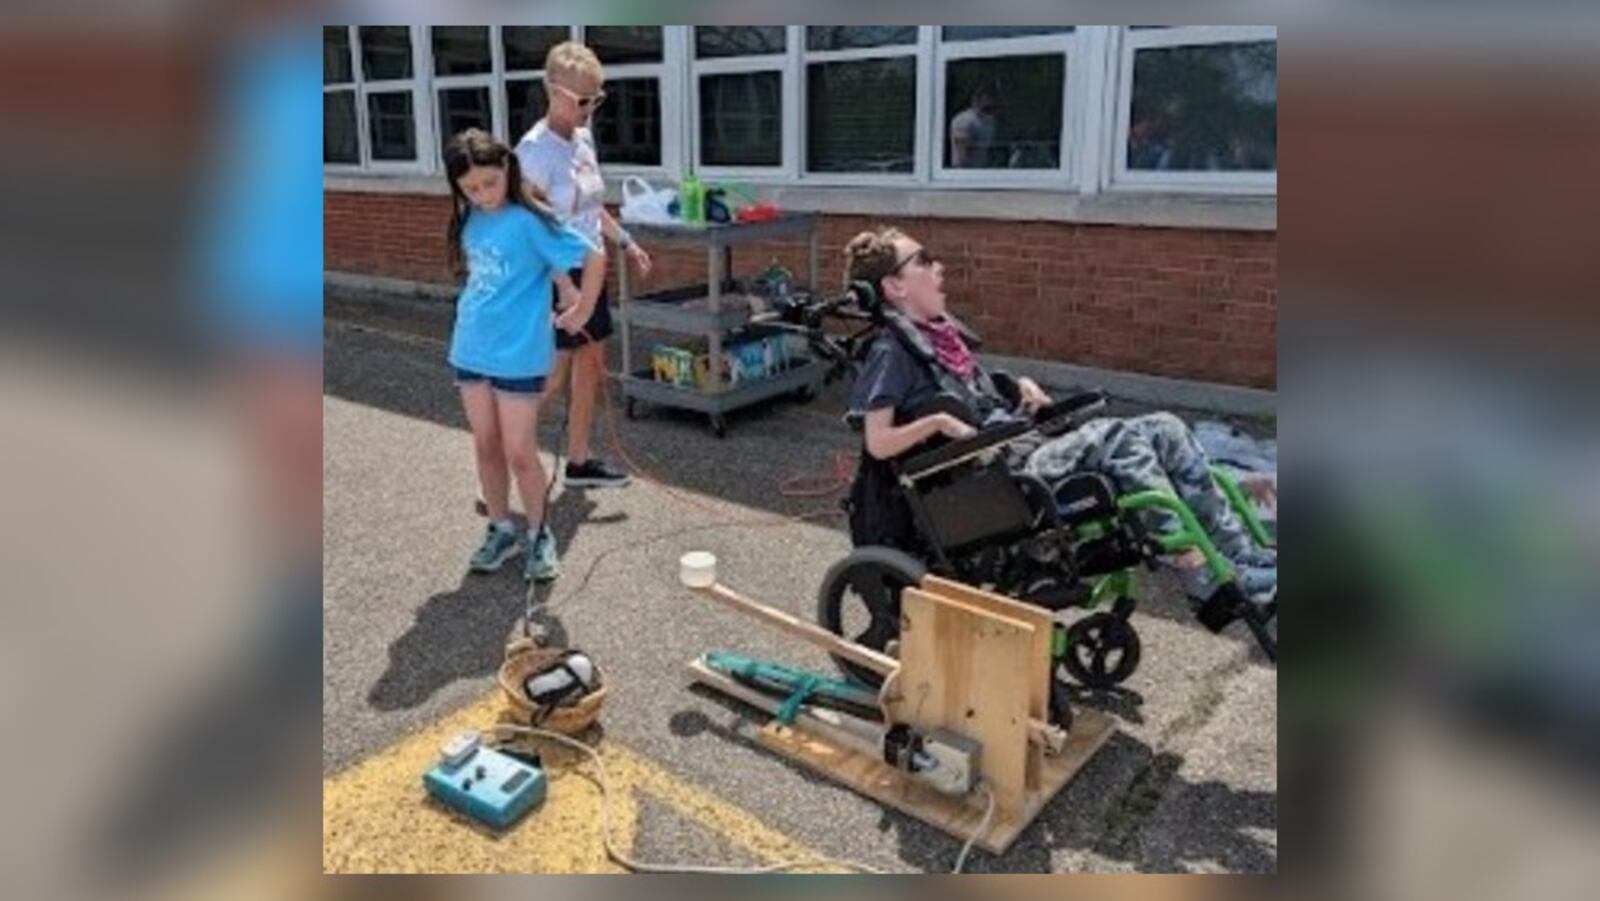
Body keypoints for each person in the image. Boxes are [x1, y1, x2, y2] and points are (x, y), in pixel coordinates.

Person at [842, 226, 1277, 603]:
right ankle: (1195, 568)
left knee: (1165, 427)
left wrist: (1015, 386)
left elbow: (972, 392)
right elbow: (878, 442)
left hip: (1018, 445)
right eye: (925, 261)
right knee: (1116, 439)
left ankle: (1236, 552)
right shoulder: (890, 353)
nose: (940, 268)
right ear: (895, 287)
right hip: (1001, 473)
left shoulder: (939, 339)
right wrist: (936, 424)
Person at [444, 128, 604, 582]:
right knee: (486, 444)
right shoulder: (471, 220)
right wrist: (561, 281)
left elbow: (593, 255)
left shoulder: (531, 218)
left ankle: (538, 534)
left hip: (519, 354)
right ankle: (500, 528)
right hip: (471, 347)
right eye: (470, 189)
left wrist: (582, 304)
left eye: (489, 183)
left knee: (519, 450)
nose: (482, 195)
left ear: (508, 170)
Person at [515, 40, 650, 489]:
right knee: (551, 376)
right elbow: (529, 228)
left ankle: (578, 461)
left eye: (598, 99)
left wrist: (626, 241)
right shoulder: (534, 152)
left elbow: (592, 207)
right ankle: (504, 456)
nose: (591, 109)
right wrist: (564, 285)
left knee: (591, 367)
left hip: (591, 267)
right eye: (583, 100)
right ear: (554, 92)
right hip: (557, 274)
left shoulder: (583, 138)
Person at [948, 84, 998, 168]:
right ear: (975, 101)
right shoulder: (964, 120)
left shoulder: (989, 121)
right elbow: (963, 153)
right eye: (987, 106)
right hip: (965, 172)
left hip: (981, 169)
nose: (991, 108)